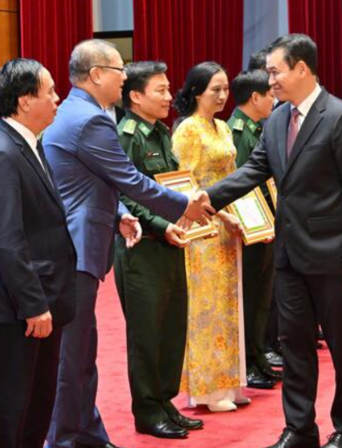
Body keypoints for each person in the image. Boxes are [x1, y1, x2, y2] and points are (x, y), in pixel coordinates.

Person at [203, 34, 342, 448]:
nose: (271, 80)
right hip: (290, 257)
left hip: (335, 257)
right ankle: (299, 429)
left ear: (302, 68)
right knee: (295, 347)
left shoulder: (341, 117)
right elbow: (254, 170)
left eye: (276, 71)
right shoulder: (278, 119)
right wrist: (205, 198)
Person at [43, 39, 212, 448]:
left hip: (86, 241)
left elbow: (90, 182)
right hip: (78, 246)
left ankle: (85, 432)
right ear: (97, 74)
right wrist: (184, 207)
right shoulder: (92, 120)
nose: (124, 76)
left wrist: (119, 216)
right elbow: (130, 180)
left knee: (84, 352)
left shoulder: (79, 113)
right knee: (74, 356)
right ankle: (66, 437)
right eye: (119, 69)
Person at [0, 59, 76, 447]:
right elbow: (6, 241)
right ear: (24, 99)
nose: (56, 97)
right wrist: (33, 304)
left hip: (41, 298)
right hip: (17, 307)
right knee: (10, 407)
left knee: (37, 405)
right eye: (48, 91)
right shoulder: (0, 152)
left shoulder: (29, 144)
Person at [114, 61, 203, 440]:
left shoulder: (162, 133)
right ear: (135, 96)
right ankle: (147, 411)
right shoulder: (127, 136)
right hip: (143, 247)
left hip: (171, 243)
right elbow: (123, 194)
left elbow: (172, 187)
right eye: (160, 90)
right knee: (146, 335)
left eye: (169, 89)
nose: (170, 97)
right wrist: (163, 225)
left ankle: (165, 400)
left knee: (171, 329)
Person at [172, 61, 248, 413]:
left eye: (225, 89)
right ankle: (205, 389)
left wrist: (243, 217)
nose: (221, 95)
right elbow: (187, 185)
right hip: (202, 227)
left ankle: (230, 382)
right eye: (214, 89)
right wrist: (222, 216)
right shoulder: (188, 129)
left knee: (229, 304)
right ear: (196, 91)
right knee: (206, 307)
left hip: (228, 225)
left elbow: (234, 179)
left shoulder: (222, 127)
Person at [229, 69, 281, 390]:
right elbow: (241, 184)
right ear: (255, 97)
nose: (274, 100)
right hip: (250, 223)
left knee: (263, 295)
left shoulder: (258, 127)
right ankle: (247, 360)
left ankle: (259, 355)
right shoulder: (237, 131)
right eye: (270, 95)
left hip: (266, 221)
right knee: (250, 296)